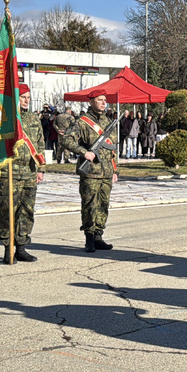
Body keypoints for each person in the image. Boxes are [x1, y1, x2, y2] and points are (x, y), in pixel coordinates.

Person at [60, 90, 118, 253]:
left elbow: (113, 149)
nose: (103, 103)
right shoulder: (82, 122)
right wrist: (83, 152)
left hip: (106, 172)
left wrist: (115, 170)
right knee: (89, 205)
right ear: (91, 102)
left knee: (103, 205)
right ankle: (89, 238)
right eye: (100, 100)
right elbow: (66, 140)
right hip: (90, 172)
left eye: (105, 100)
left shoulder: (108, 122)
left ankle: (99, 235)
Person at [0, 84, 45, 262]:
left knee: (27, 211)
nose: (27, 100)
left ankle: (21, 247)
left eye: (28, 97)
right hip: (9, 172)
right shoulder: (4, 119)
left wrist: (40, 168)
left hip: (29, 171)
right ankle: (8, 248)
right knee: (8, 211)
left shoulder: (33, 118)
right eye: (23, 97)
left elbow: (40, 143)